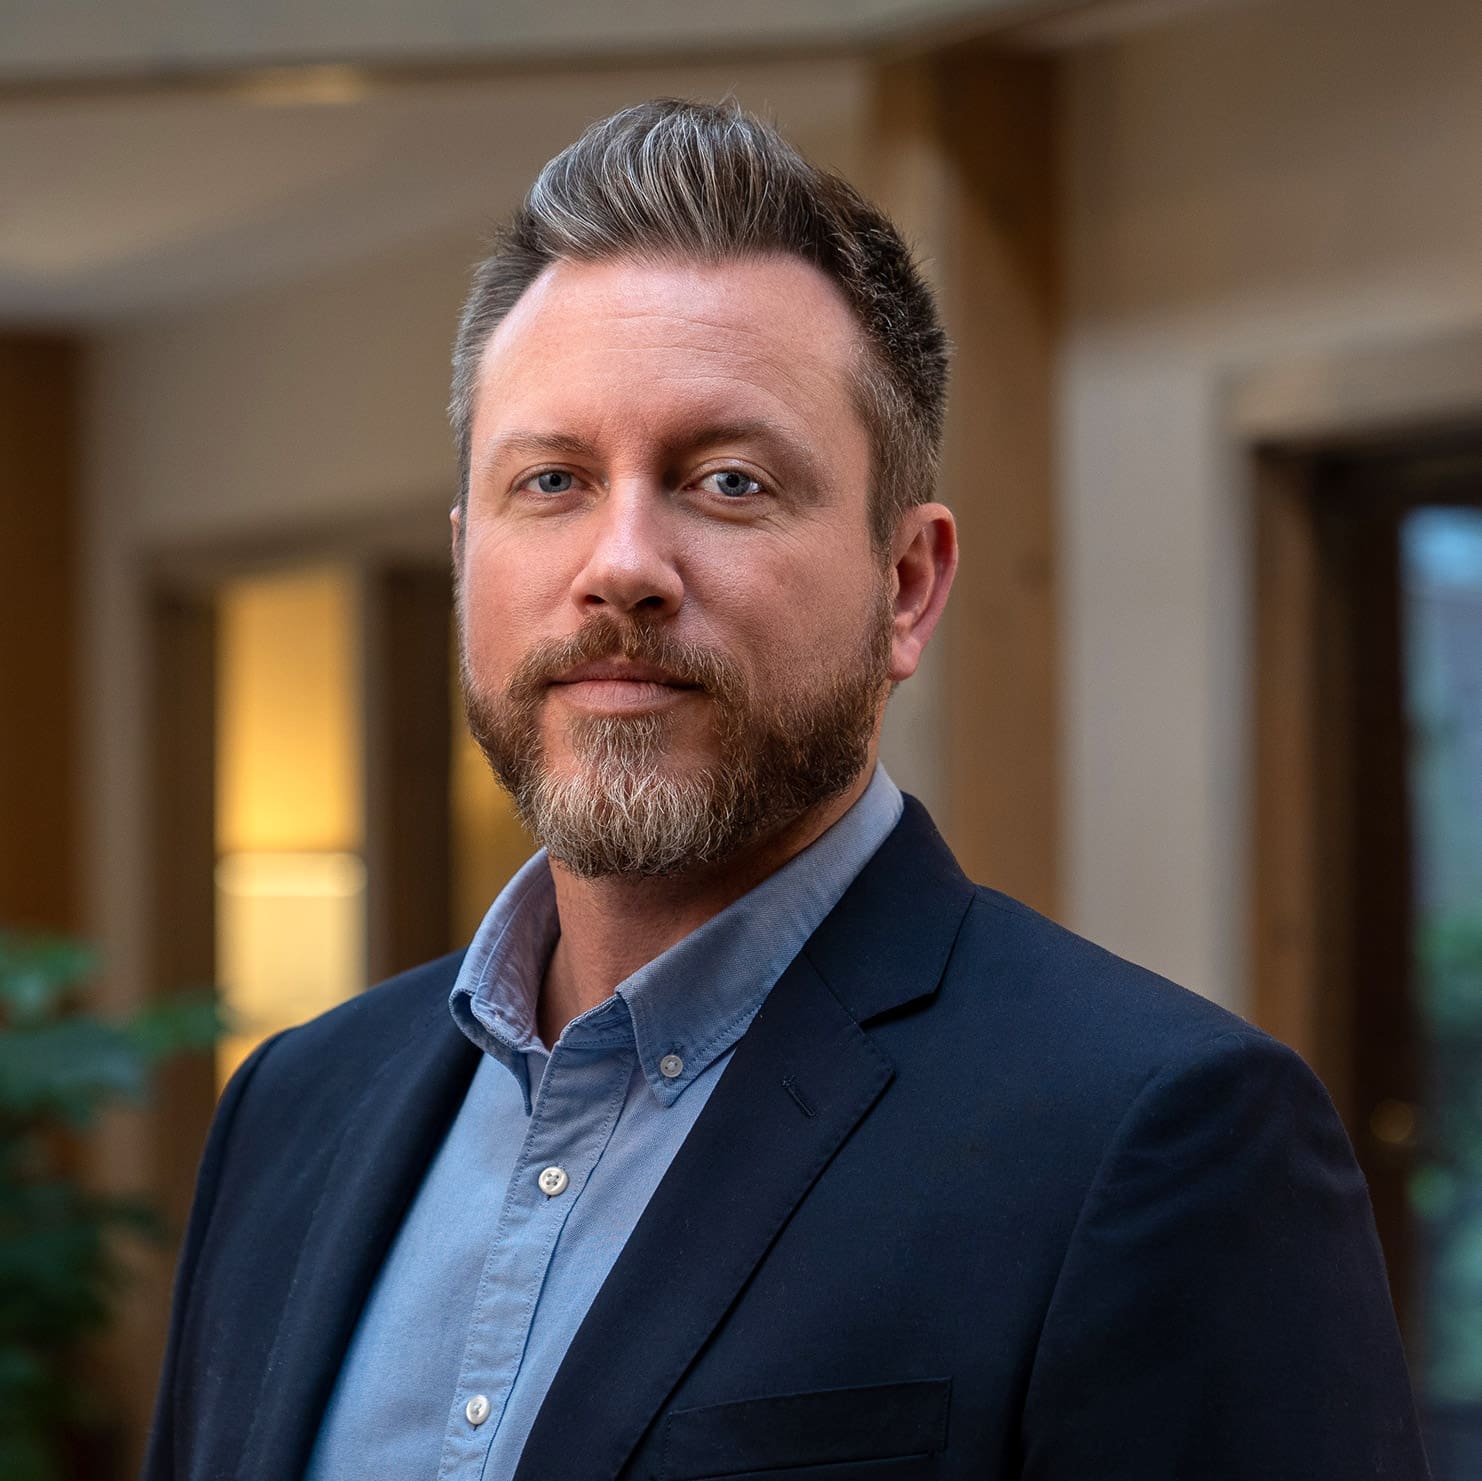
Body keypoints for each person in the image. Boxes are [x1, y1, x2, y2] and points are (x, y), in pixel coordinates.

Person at [143, 100, 1429, 1481]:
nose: (619, 562)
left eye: (728, 480)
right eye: (554, 479)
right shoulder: (292, 1104)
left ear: (906, 584)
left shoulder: (1154, 1137)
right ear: (470, 563)